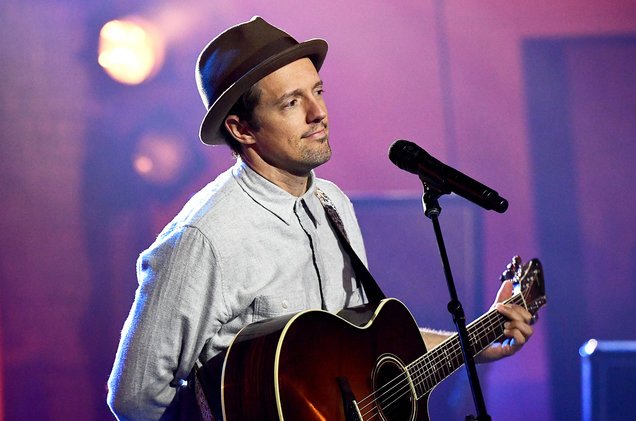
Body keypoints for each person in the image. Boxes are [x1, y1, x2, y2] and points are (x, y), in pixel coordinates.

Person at [107, 16, 534, 420]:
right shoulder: (204, 238)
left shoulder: (333, 204)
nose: (318, 113)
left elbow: (365, 348)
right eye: (292, 102)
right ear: (241, 129)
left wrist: (476, 343)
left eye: (318, 91)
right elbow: (134, 397)